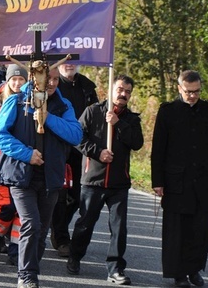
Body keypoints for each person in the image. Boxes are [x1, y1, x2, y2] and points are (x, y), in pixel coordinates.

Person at [0, 63, 82, 288]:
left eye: (54, 79)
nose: (50, 83)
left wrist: (47, 116)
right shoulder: (16, 100)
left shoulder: (64, 104)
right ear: (34, 78)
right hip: (22, 175)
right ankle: (27, 275)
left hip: (51, 176)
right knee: (30, 223)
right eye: (46, 78)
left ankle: (31, 269)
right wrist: (27, 154)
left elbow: (76, 135)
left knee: (41, 229)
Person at [67, 74, 144, 285]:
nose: (123, 94)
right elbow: (77, 137)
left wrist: (119, 124)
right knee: (85, 223)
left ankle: (115, 269)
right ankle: (74, 256)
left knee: (119, 228)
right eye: (120, 89)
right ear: (111, 90)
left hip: (119, 183)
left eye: (128, 91)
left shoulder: (132, 119)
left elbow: (137, 143)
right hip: (93, 181)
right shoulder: (92, 112)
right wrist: (97, 152)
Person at [151, 70, 208, 288]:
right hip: (176, 182)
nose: (192, 96)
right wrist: (158, 181)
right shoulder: (167, 112)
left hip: (204, 181)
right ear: (179, 89)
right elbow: (158, 149)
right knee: (177, 231)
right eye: (188, 92)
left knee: (202, 228)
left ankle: (194, 270)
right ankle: (179, 273)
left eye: (196, 92)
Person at [50, 63, 99, 256]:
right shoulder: (53, 85)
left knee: (78, 196)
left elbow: (95, 116)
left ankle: (57, 228)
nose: (68, 64)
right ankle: (61, 238)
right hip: (59, 147)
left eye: (72, 59)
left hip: (82, 148)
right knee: (59, 196)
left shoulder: (87, 86)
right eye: (64, 59)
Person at [0, 64, 27, 264]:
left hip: (23, 164)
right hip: (0, 165)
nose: (17, 83)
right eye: (14, 79)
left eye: (21, 80)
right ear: (8, 81)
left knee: (21, 209)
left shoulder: (29, 103)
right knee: (6, 207)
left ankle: (15, 250)